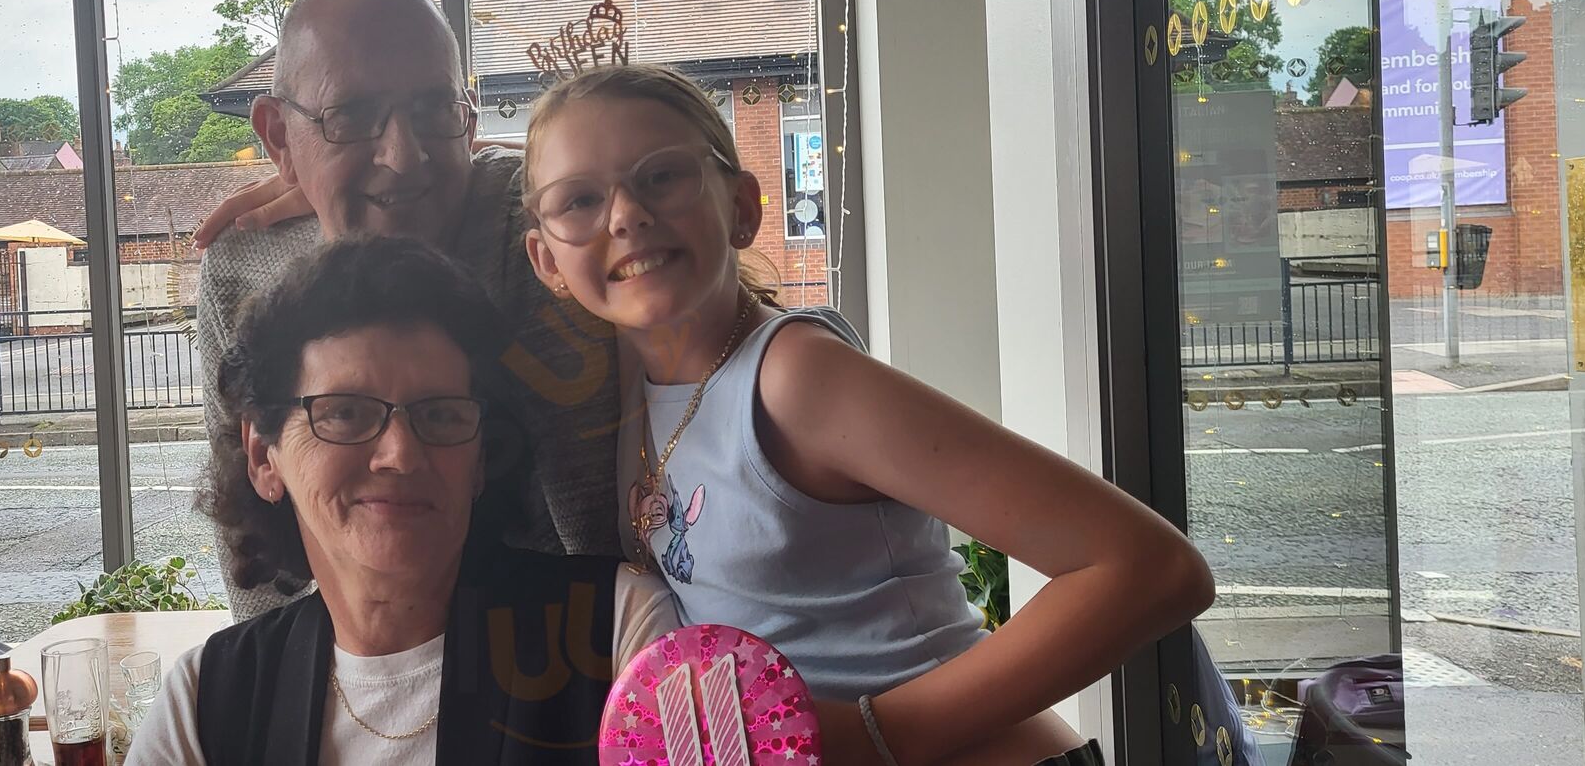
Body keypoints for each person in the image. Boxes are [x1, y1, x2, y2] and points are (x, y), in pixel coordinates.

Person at [517, 64, 1217, 766]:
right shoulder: (627, 394)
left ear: (742, 207)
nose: (625, 215)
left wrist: (871, 733)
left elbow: (1150, 568)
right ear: (546, 261)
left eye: (663, 176)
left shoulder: (796, 379)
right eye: (579, 200)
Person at [128, 237, 680, 765]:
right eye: (345, 412)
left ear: (480, 460)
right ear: (262, 457)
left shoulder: (617, 634)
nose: (400, 455)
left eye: (440, 414)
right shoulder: (205, 703)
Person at [191, 0, 624, 619]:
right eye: (352, 117)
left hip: (613, 648)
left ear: (467, 119)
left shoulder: (544, 219)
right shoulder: (245, 266)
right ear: (279, 135)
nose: (402, 156)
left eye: (433, 110)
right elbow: (255, 542)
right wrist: (277, 676)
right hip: (360, 658)